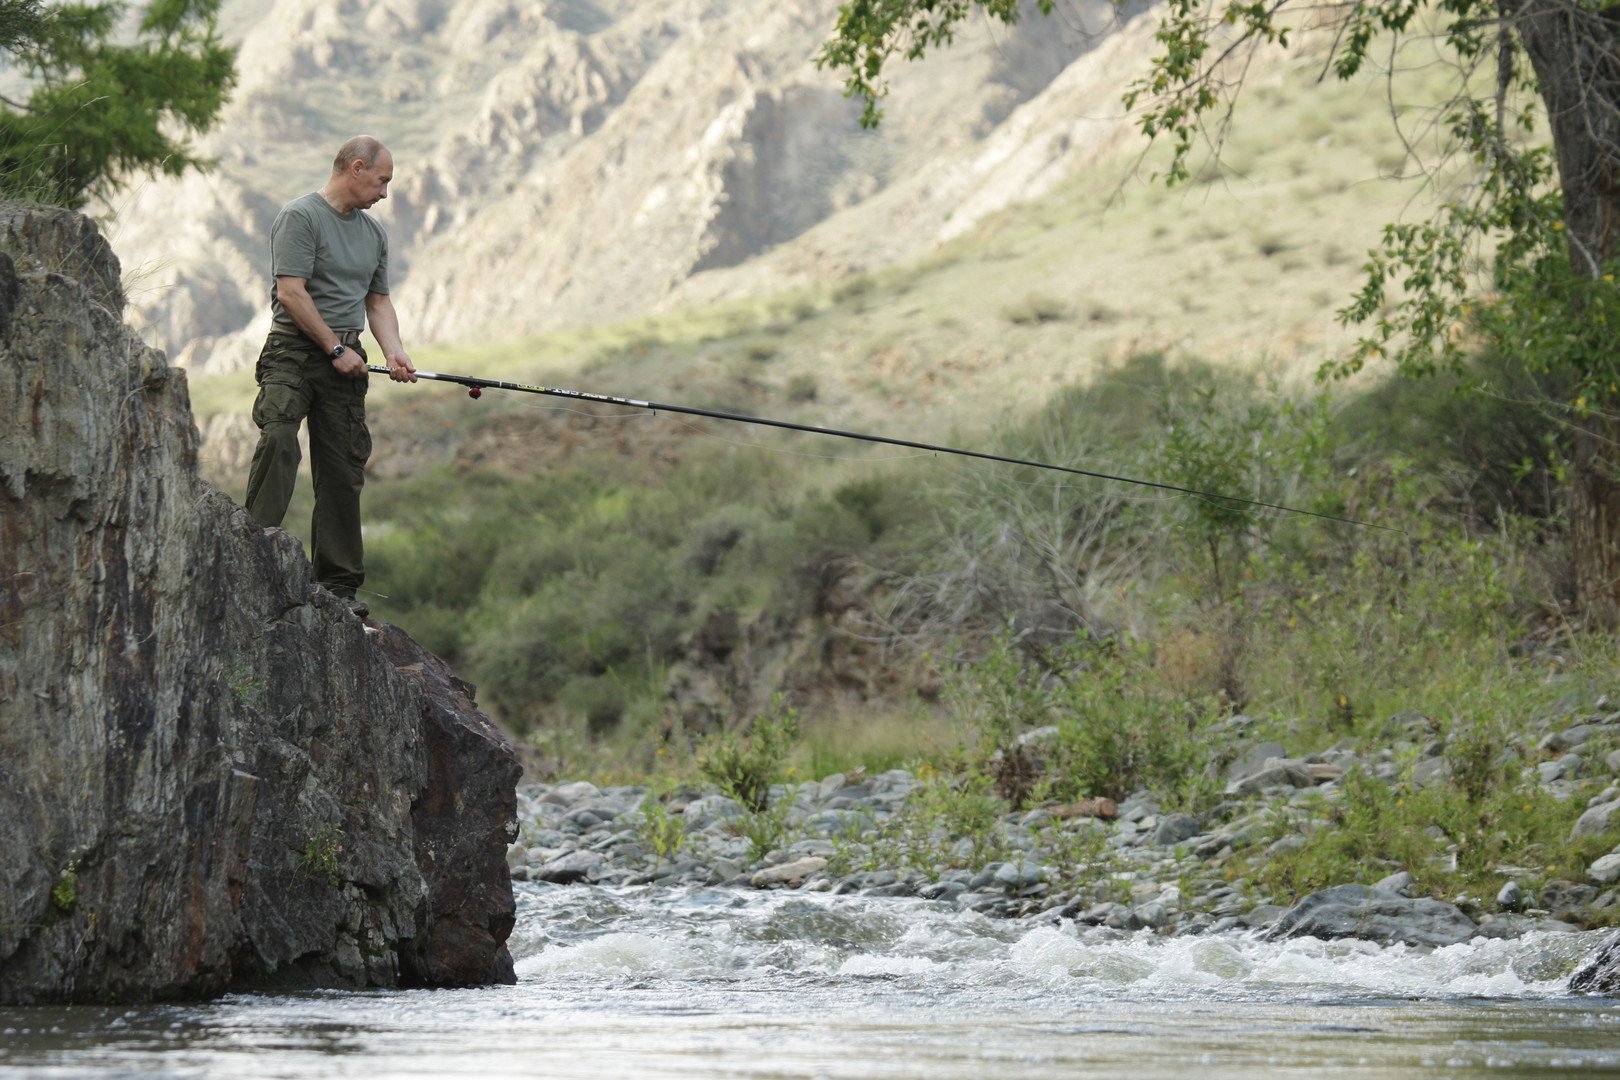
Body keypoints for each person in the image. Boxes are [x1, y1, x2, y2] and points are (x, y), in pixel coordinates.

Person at [244, 135, 417, 619]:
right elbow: (291, 292)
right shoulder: (300, 217)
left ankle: (338, 588)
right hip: (293, 350)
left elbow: (378, 302)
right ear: (356, 169)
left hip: (347, 355)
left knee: (343, 468)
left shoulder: (373, 235)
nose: (384, 193)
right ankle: (248, 557)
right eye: (382, 181)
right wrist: (333, 346)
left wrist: (396, 352)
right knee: (279, 438)